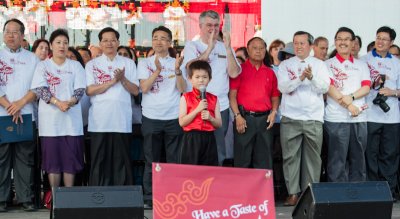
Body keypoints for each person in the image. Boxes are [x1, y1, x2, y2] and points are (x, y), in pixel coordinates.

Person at [277, 31, 330, 206]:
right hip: (290, 117)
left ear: (311, 46)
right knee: (290, 157)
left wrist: (312, 77)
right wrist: (300, 78)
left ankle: (309, 194)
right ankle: (293, 193)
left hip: (313, 117)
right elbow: (283, 87)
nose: (299, 46)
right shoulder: (285, 64)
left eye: (302, 43)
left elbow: (324, 88)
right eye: (296, 43)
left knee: (313, 158)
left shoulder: (319, 65)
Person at [182, 10, 241, 166]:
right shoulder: (191, 46)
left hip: (219, 105)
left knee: (218, 149)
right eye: (209, 25)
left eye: (216, 25)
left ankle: (216, 185)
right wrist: (209, 48)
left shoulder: (225, 47)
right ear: (200, 26)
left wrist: (228, 49)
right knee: (195, 149)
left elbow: (234, 73)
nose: (213, 29)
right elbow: (192, 68)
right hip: (195, 105)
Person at [31, 29, 86, 190]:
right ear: (51, 46)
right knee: (52, 162)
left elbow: (80, 90)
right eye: (58, 42)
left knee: (70, 161)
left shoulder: (75, 66)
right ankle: (55, 199)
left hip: (71, 121)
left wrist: (69, 102)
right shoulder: (43, 66)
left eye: (65, 43)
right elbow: (40, 89)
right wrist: (57, 102)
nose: (62, 46)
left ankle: (68, 198)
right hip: (50, 122)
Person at [137, 26, 186, 208]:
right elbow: (143, 88)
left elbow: (182, 89)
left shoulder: (177, 62)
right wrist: (157, 71)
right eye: (155, 37)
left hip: (173, 117)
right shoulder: (144, 63)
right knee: (152, 160)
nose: (159, 41)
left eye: (163, 38)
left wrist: (178, 70)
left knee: (174, 160)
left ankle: (174, 194)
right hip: (151, 117)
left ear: (170, 42)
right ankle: (150, 197)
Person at [86, 27, 139, 186]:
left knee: (120, 160)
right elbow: (89, 90)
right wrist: (112, 82)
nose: (109, 43)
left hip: (121, 121)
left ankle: (122, 195)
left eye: (112, 40)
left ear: (118, 42)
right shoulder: (92, 64)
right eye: (105, 40)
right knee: (99, 159)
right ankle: (97, 196)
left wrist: (122, 79)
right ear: (100, 43)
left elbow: (135, 91)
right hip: (99, 121)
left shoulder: (128, 63)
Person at [0, 18, 40, 212]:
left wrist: (20, 104)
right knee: (2, 159)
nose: (11, 35)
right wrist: (10, 107)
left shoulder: (32, 58)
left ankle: (26, 198)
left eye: (16, 32)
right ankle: (2, 199)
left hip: (25, 114)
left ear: (23, 35)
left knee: (25, 158)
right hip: (2, 115)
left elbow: (37, 86)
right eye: (8, 31)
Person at [324, 27, 371, 185]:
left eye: (346, 39)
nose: (342, 42)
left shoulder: (361, 65)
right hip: (335, 118)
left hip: (359, 118)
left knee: (358, 159)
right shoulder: (327, 64)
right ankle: (338, 197)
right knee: (337, 160)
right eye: (339, 39)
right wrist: (348, 105)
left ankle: (357, 196)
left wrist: (350, 98)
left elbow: (366, 87)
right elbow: (329, 88)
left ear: (353, 43)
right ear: (335, 42)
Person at [360, 26, 400, 201]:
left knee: (389, 155)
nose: (380, 41)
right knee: (370, 154)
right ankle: (371, 191)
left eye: (384, 39)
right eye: (378, 37)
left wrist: (393, 92)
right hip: (369, 115)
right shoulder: (363, 60)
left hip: (392, 118)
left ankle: (388, 191)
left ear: (391, 42)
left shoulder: (397, 63)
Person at [229, 37, 280, 169]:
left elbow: (275, 96)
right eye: (255, 48)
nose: (258, 51)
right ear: (248, 50)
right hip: (244, 119)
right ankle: (240, 190)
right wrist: (237, 116)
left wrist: (274, 112)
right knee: (242, 160)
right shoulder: (239, 70)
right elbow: (232, 96)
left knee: (264, 161)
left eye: (262, 48)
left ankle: (262, 190)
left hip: (265, 120)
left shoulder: (270, 72)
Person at [179, 60, 222, 165]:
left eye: (204, 77)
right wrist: (197, 110)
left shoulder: (214, 98)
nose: (201, 80)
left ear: (210, 79)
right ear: (190, 79)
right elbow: (182, 122)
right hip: (191, 139)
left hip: (209, 138)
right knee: (190, 172)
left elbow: (219, 124)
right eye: (197, 77)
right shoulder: (185, 97)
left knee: (208, 172)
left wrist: (211, 118)